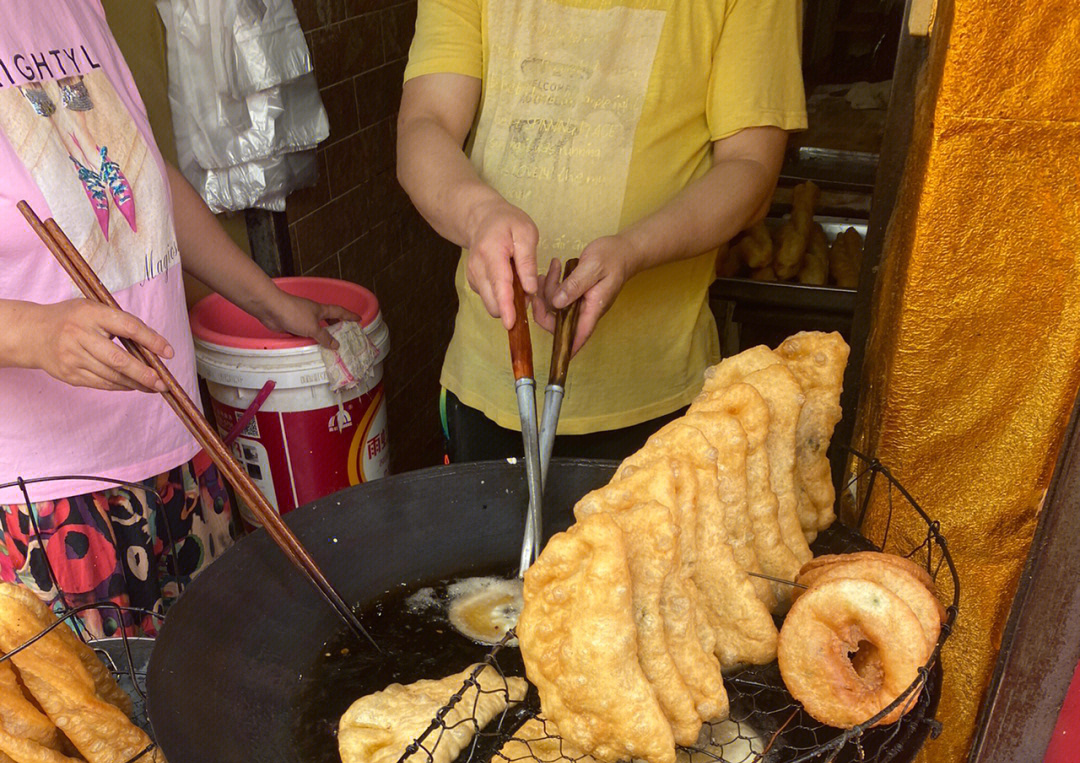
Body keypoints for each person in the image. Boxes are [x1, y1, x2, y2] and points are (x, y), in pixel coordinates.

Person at [0, 0, 352, 635]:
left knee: (211, 698)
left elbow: (142, 177)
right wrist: (35, 333)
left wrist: (272, 303)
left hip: (178, 445)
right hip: (51, 500)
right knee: (118, 726)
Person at [397, 0, 807, 466]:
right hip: (491, 385)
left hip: (659, 399)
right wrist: (479, 214)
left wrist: (634, 250)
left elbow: (750, 168)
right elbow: (424, 124)